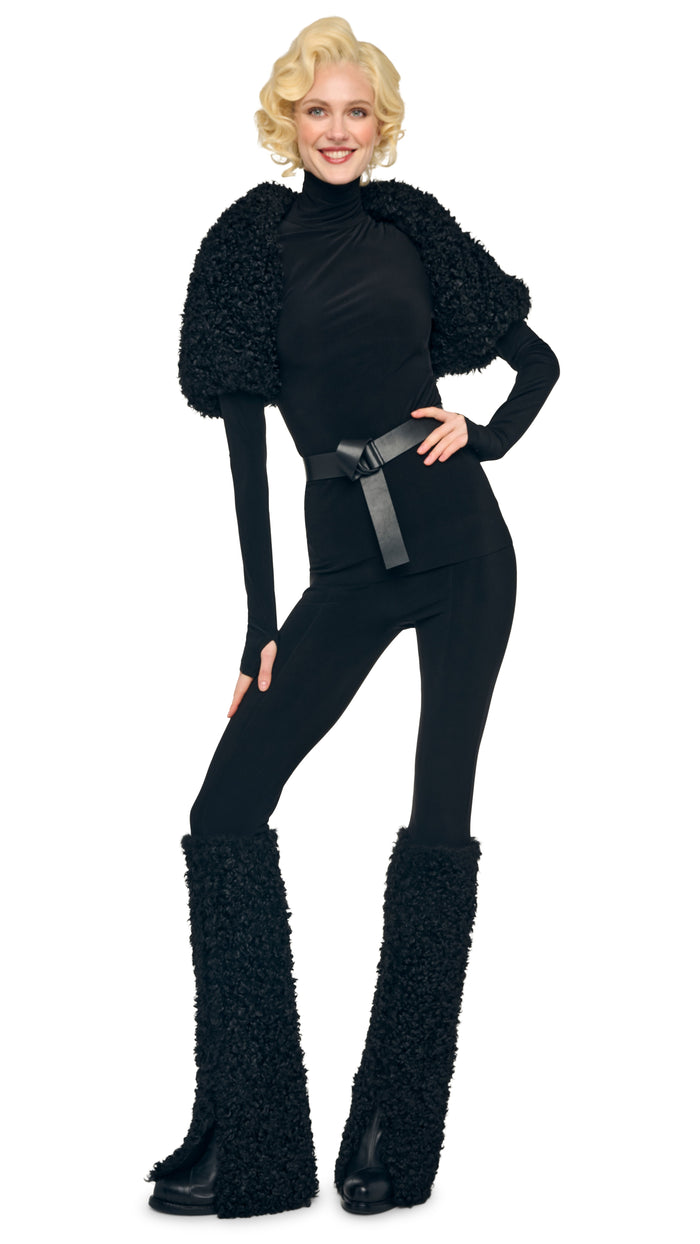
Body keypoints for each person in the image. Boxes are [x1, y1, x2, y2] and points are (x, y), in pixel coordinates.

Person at [145, 15, 560, 1220]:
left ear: (383, 124)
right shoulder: (243, 247)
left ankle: (393, 1124)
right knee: (225, 809)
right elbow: (242, 455)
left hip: (463, 547)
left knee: (438, 817)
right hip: (343, 569)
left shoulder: (414, 227)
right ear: (287, 119)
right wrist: (257, 625)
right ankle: (248, 1125)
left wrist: (485, 432)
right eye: (316, 110)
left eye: (357, 111)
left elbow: (538, 362)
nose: (337, 130)